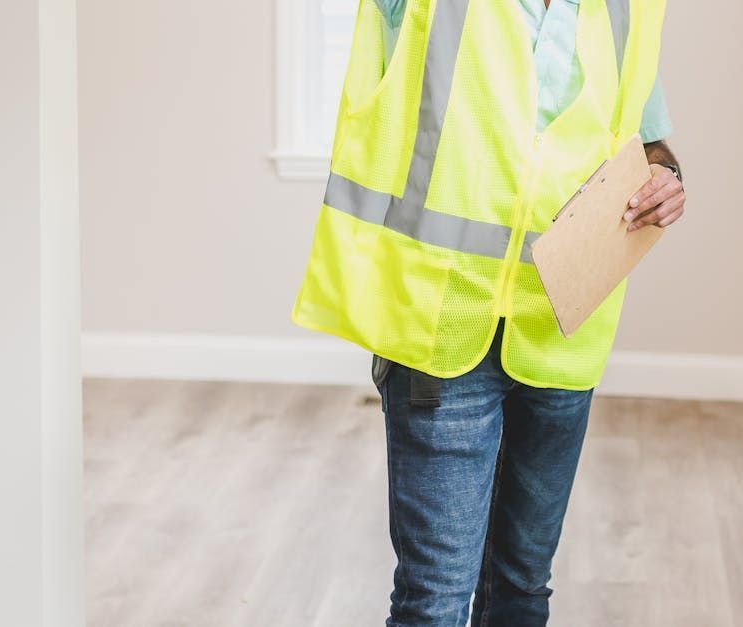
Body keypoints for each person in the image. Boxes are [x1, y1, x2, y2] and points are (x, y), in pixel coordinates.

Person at [291, 0, 685, 624]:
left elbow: (650, 141)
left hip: (561, 334)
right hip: (441, 328)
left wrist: (666, 179)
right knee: (436, 598)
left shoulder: (624, 11)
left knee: (522, 586)